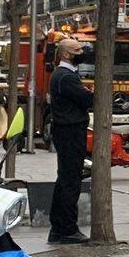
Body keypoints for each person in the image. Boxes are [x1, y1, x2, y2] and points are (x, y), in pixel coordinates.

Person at [46, 38, 93, 244]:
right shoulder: (66, 76)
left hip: (67, 130)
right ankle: (66, 229)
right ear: (65, 54)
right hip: (70, 131)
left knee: (66, 179)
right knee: (70, 181)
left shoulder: (64, 75)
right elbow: (88, 99)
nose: (81, 52)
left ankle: (60, 227)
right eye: (77, 50)